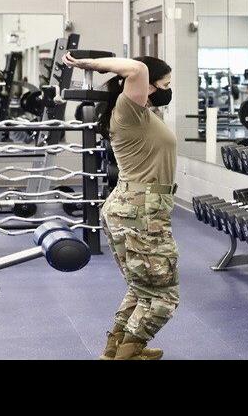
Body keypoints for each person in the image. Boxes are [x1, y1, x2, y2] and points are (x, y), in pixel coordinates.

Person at [62, 52, 177, 360]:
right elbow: (136, 68)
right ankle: (130, 352)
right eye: (166, 84)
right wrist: (88, 64)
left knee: (141, 288)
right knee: (164, 296)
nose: (168, 90)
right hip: (141, 210)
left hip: (134, 206)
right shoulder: (129, 108)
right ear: (148, 85)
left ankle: (115, 349)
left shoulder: (139, 112)